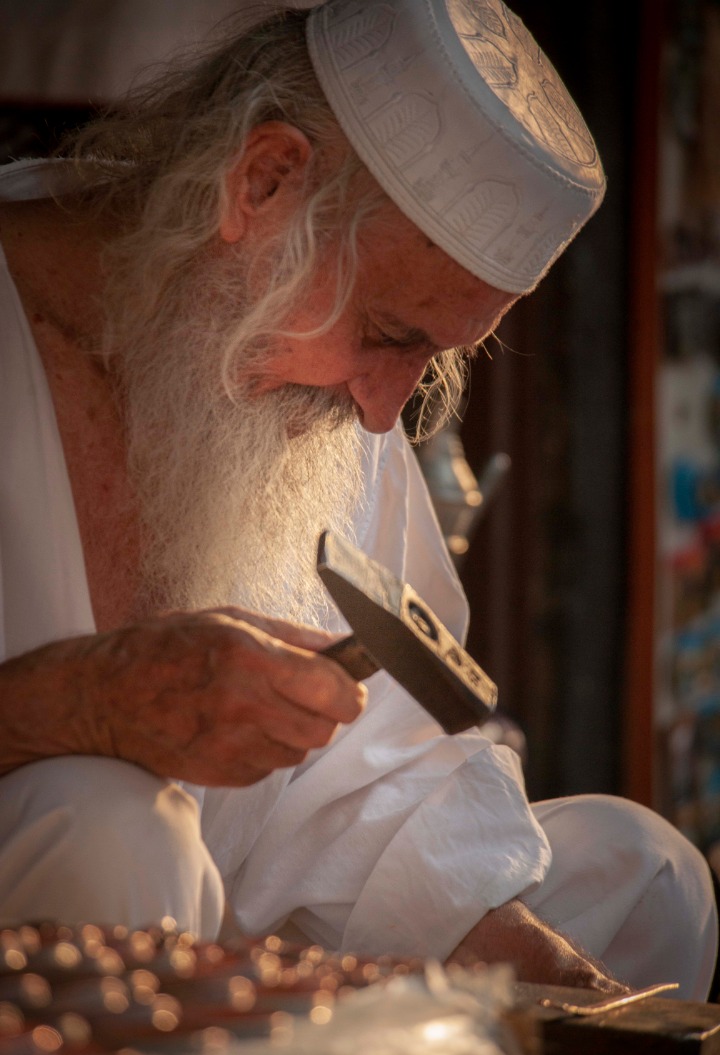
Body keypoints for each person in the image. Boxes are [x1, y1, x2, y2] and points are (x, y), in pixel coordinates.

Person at [0, 0, 716, 1001]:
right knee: (106, 825)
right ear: (263, 181)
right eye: (388, 334)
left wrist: (577, 1002)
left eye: (429, 358)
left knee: (645, 874)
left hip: (240, 944)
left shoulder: (318, 399)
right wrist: (74, 704)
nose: (385, 418)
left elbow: (365, 785)